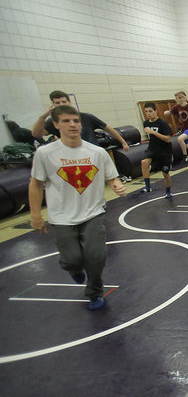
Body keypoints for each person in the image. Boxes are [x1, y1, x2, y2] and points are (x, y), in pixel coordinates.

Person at [28, 105, 127, 311]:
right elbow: (36, 183)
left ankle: (94, 292)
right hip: (61, 216)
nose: (72, 125)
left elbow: (111, 176)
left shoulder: (97, 152)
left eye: (75, 120)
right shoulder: (45, 153)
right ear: (56, 125)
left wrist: (116, 185)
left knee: (96, 258)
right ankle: (72, 268)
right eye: (66, 121)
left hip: (93, 213)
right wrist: (36, 215)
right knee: (72, 260)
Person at [32, 90, 130, 153]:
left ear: (69, 102)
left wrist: (123, 142)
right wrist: (42, 117)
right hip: (71, 156)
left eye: (64, 101)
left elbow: (108, 128)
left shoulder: (87, 117)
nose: (61, 104)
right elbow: (37, 134)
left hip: (92, 152)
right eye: (57, 103)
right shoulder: (52, 122)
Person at [140, 102, 174, 198]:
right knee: (144, 163)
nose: (148, 113)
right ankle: (148, 187)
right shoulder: (146, 123)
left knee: (165, 173)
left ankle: (168, 191)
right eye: (146, 112)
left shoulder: (162, 123)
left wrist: (153, 132)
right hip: (152, 148)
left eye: (150, 111)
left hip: (164, 150)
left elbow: (167, 139)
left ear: (155, 111)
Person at [164, 91, 188, 171]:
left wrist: (187, 99)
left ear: (182, 98)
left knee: (180, 139)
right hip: (185, 129)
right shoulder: (177, 107)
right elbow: (169, 112)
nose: (176, 100)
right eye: (176, 98)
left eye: (177, 98)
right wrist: (167, 112)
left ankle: (185, 155)